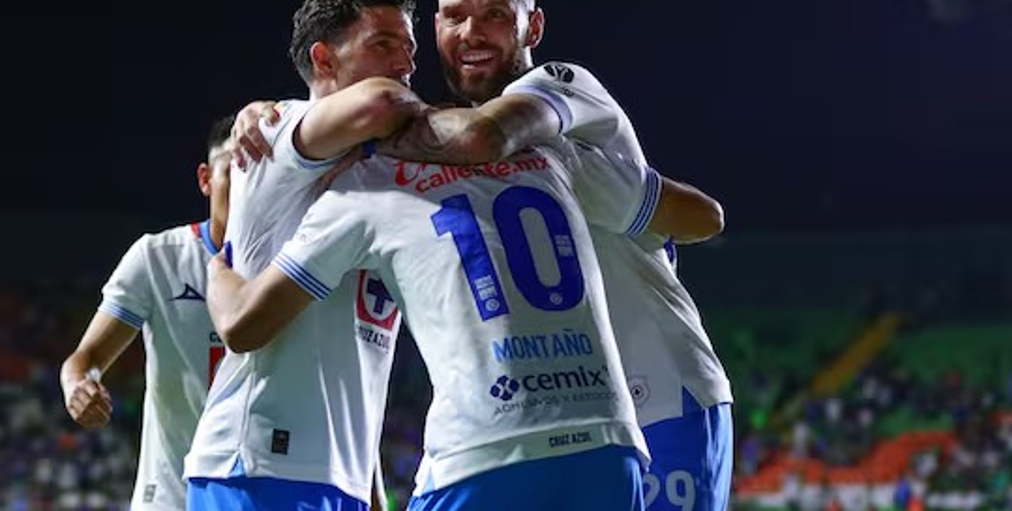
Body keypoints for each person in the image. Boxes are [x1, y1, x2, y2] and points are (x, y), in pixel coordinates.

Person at [382, 0, 735, 511]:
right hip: (564, 419)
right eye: (454, 15)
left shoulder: (562, 87)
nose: (472, 32)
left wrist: (360, 120)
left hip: (661, 396)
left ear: (533, 26)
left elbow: (486, 137)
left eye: (495, 14)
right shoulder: (447, 160)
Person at [203, 129, 709, 507]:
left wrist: (217, 273)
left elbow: (244, 326)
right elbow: (706, 216)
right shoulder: (548, 150)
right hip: (608, 448)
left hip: (483, 453)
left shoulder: (363, 187)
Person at [183, 0, 428, 511]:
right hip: (259, 466)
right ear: (324, 60)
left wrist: (370, 490)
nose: (405, 64)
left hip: (337, 477)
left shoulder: (380, 172)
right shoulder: (276, 131)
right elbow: (381, 103)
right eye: (383, 44)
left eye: (409, 49)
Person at [60, 115, 234, 511]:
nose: (245, 187)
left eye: (256, 174)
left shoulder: (291, 269)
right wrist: (77, 386)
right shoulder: (158, 258)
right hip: (172, 496)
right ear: (206, 179)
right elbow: (85, 359)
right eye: (232, 171)